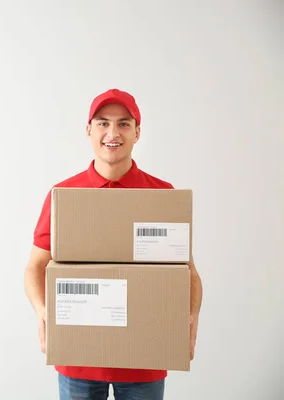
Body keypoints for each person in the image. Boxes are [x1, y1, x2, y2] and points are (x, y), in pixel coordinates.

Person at [23, 88, 203, 400]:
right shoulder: (64, 195)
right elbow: (35, 266)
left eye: (123, 124)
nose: (112, 133)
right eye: (103, 123)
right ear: (89, 130)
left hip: (144, 359)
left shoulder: (161, 196)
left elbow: (186, 271)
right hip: (78, 360)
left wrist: (191, 316)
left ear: (137, 133)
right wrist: (42, 311)